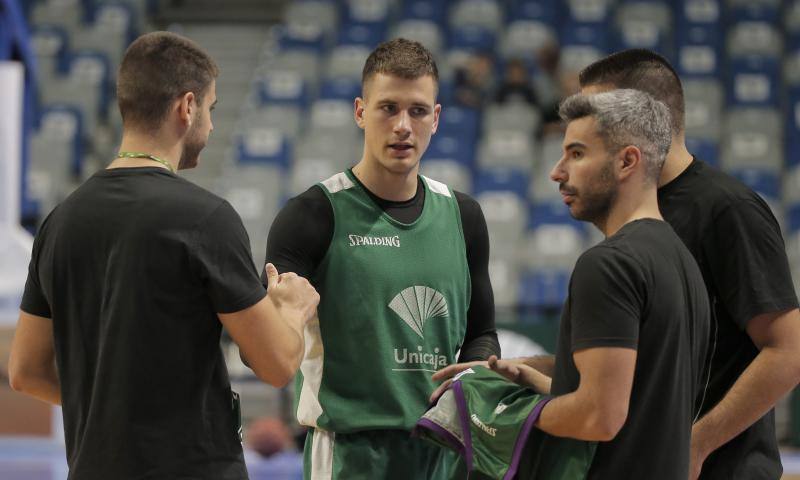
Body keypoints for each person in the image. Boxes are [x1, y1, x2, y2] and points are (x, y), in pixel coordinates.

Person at [8, 31, 319, 480]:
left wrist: (110, 411)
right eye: (210, 110)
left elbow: (25, 372)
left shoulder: (59, 221)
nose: (210, 127)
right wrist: (291, 309)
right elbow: (275, 365)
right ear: (186, 107)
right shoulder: (205, 219)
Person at [437, 88, 711, 479]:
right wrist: (543, 378)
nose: (557, 171)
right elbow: (637, 403)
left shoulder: (610, 264)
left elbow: (600, 417)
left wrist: (504, 410)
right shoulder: (681, 260)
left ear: (627, 161)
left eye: (577, 153)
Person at [263, 38, 500, 480]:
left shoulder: (464, 216)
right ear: (359, 112)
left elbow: (482, 334)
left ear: (437, 118)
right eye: (388, 108)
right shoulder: (311, 215)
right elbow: (272, 350)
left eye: (418, 110)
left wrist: (472, 376)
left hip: (441, 451)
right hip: (350, 455)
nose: (403, 126)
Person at [576, 49, 800, 480]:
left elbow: (788, 352)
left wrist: (697, 444)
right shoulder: (632, 211)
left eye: (597, 117)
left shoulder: (728, 210)